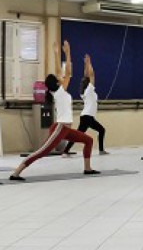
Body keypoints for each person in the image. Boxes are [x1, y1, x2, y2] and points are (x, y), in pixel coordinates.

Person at [10, 41, 98, 180]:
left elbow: (59, 71)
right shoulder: (61, 91)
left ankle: (87, 169)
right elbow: (67, 71)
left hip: (66, 129)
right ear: (57, 83)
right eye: (58, 79)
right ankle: (16, 172)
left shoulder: (58, 91)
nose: (61, 78)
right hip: (60, 128)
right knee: (41, 152)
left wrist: (57, 53)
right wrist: (67, 53)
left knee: (88, 140)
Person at [63, 54, 108, 156]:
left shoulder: (84, 92)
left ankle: (65, 151)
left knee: (78, 135)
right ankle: (101, 150)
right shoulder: (89, 89)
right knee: (102, 130)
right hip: (88, 117)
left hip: (85, 117)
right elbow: (92, 75)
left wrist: (86, 64)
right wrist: (89, 62)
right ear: (89, 84)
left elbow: (87, 76)